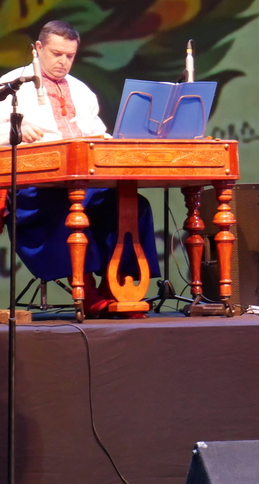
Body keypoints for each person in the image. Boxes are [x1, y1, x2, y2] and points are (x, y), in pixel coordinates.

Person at [0, 20, 158, 317]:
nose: (63, 62)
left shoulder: (81, 90)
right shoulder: (11, 86)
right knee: (69, 208)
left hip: (82, 183)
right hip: (36, 189)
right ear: (38, 48)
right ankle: (85, 289)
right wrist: (15, 130)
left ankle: (118, 285)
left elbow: (97, 135)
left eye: (69, 56)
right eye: (56, 53)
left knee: (131, 205)